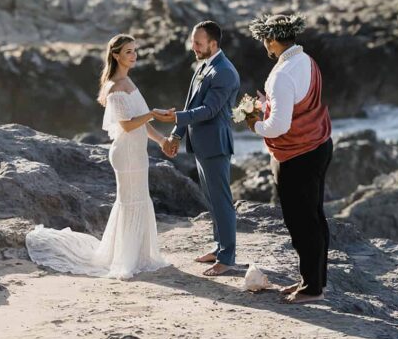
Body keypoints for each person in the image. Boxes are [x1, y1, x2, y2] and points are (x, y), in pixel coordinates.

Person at [25, 34, 174, 279]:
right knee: (130, 203)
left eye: (135, 50)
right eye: (128, 51)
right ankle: (125, 259)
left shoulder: (129, 81)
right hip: (125, 154)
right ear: (116, 55)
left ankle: (139, 255)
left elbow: (142, 121)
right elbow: (127, 125)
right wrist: (154, 114)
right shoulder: (115, 87)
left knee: (140, 200)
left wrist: (162, 140)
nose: (134, 55)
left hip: (137, 152)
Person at [246, 13, 332, 304]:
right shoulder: (307, 61)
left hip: (296, 155)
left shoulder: (282, 74)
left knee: (301, 222)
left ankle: (312, 290)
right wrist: (266, 104)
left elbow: (279, 127)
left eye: (264, 41)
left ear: (271, 40)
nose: (264, 47)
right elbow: (295, 104)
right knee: (315, 218)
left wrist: (254, 124)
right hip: (319, 145)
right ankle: (313, 280)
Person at [159, 20, 240, 276]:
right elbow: (190, 102)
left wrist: (175, 118)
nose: (193, 47)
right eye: (193, 42)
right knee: (212, 200)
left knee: (222, 201)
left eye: (198, 43)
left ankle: (227, 257)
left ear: (213, 43)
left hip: (216, 145)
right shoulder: (203, 66)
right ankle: (219, 248)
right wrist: (175, 134)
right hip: (202, 145)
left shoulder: (224, 71)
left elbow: (209, 110)